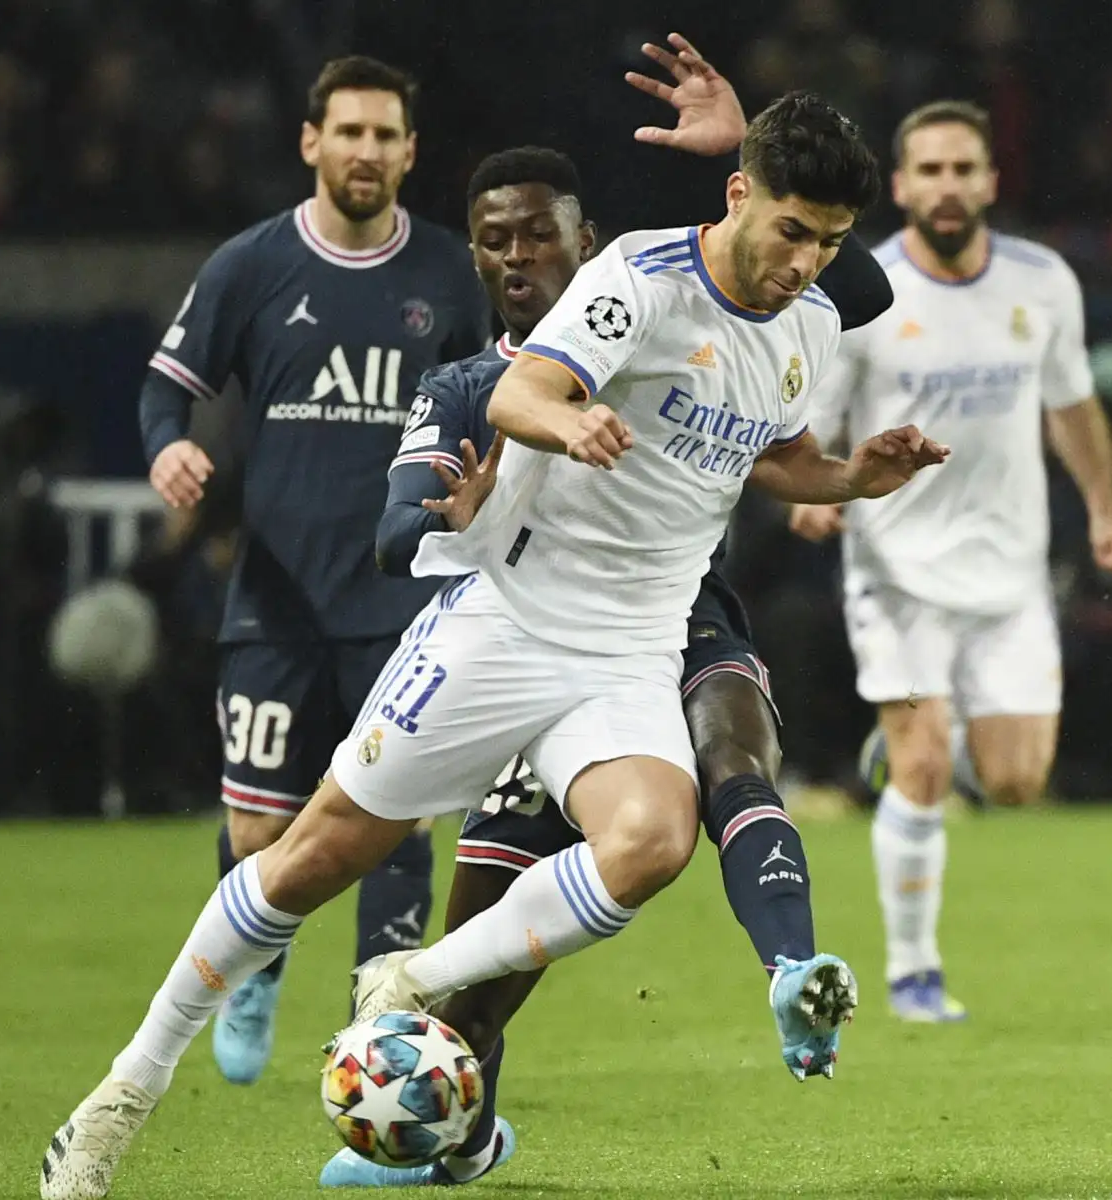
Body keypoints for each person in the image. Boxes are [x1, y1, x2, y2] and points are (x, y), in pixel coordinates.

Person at [39, 87, 948, 1200]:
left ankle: (410, 977)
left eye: (830, 244)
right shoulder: (642, 283)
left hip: (629, 653)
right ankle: (118, 1099)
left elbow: (779, 455)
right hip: (507, 627)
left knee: (655, 842)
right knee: (306, 864)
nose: (806, 262)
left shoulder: (805, 326)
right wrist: (569, 419)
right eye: (792, 231)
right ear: (738, 194)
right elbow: (523, 386)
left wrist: (858, 476)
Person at [322, 71, 900, 1189]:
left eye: (542, 238)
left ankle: (791, 969)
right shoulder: (477, 377)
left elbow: (828, 287)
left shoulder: (725, 294)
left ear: (584, 245)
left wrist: (841, 472)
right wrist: (438, 522)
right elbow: (403, 528)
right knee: (490, 930)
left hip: (677, 604)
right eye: (496, 242)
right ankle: (448, 1134)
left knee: (733, 756)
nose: (519, 259)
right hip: (541, 628)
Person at [136, 56, 493, 1086]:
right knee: (259, 826)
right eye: (349, 133)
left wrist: (486, 486)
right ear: (311, 142)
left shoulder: (446, 275)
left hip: (405, 600)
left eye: (386, 136)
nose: (367, 152)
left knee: (392, 819)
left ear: (410, 152)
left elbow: (502, 401)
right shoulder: (251, 266)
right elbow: (168, 388)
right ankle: (257, 967)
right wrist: (168, 446)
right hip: (277, 601)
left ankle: (376, 1030)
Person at [788, 101, 1112, 1023]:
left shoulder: (1043, 282)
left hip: (1010, 570)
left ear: (990, 180)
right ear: (900, 187)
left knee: (1019, 780)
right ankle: (914, 975)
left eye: (964, 169)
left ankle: (908, 747)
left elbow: (1070, 404)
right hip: (897, 567)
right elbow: (816, 423)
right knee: (926, 773)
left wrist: (1104, 508)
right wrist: (819, 498)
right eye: (930, 171)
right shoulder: (860, 292)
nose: (948, 186)